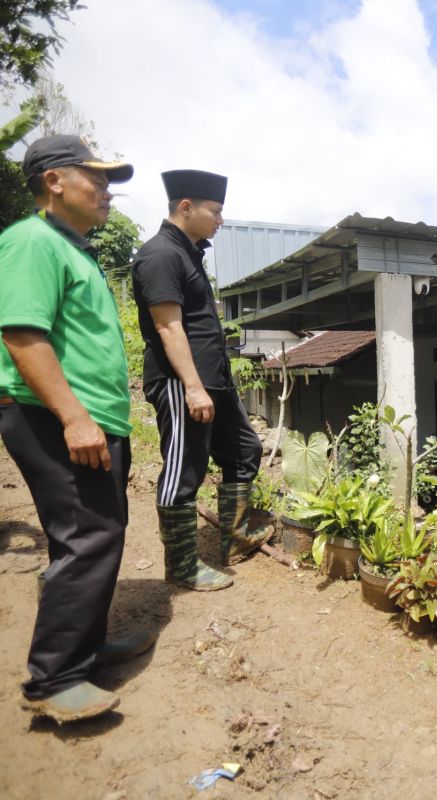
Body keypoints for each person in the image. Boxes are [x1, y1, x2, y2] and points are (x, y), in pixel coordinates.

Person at [0, 135, 154, 722]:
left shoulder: (73, 248)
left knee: (98, 532)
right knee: (87, 538)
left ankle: (83, 648)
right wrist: (74, 416)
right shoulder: (31, 241)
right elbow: (22, 336)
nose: (108, 191)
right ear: (55, 180)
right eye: (98, 178)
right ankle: (54, 679)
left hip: (87, 420)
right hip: (56, 419)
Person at [132, 170, 270, 592]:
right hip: (181, 381)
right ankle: (182, 566)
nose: (221, 220)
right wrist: (191, 386)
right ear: (186, 207)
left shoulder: (188, 253)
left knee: (245, 449)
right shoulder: (159, 255)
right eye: (216, 210)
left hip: (212, 379)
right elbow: (168, 328)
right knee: (183, 469)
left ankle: (233, 538)